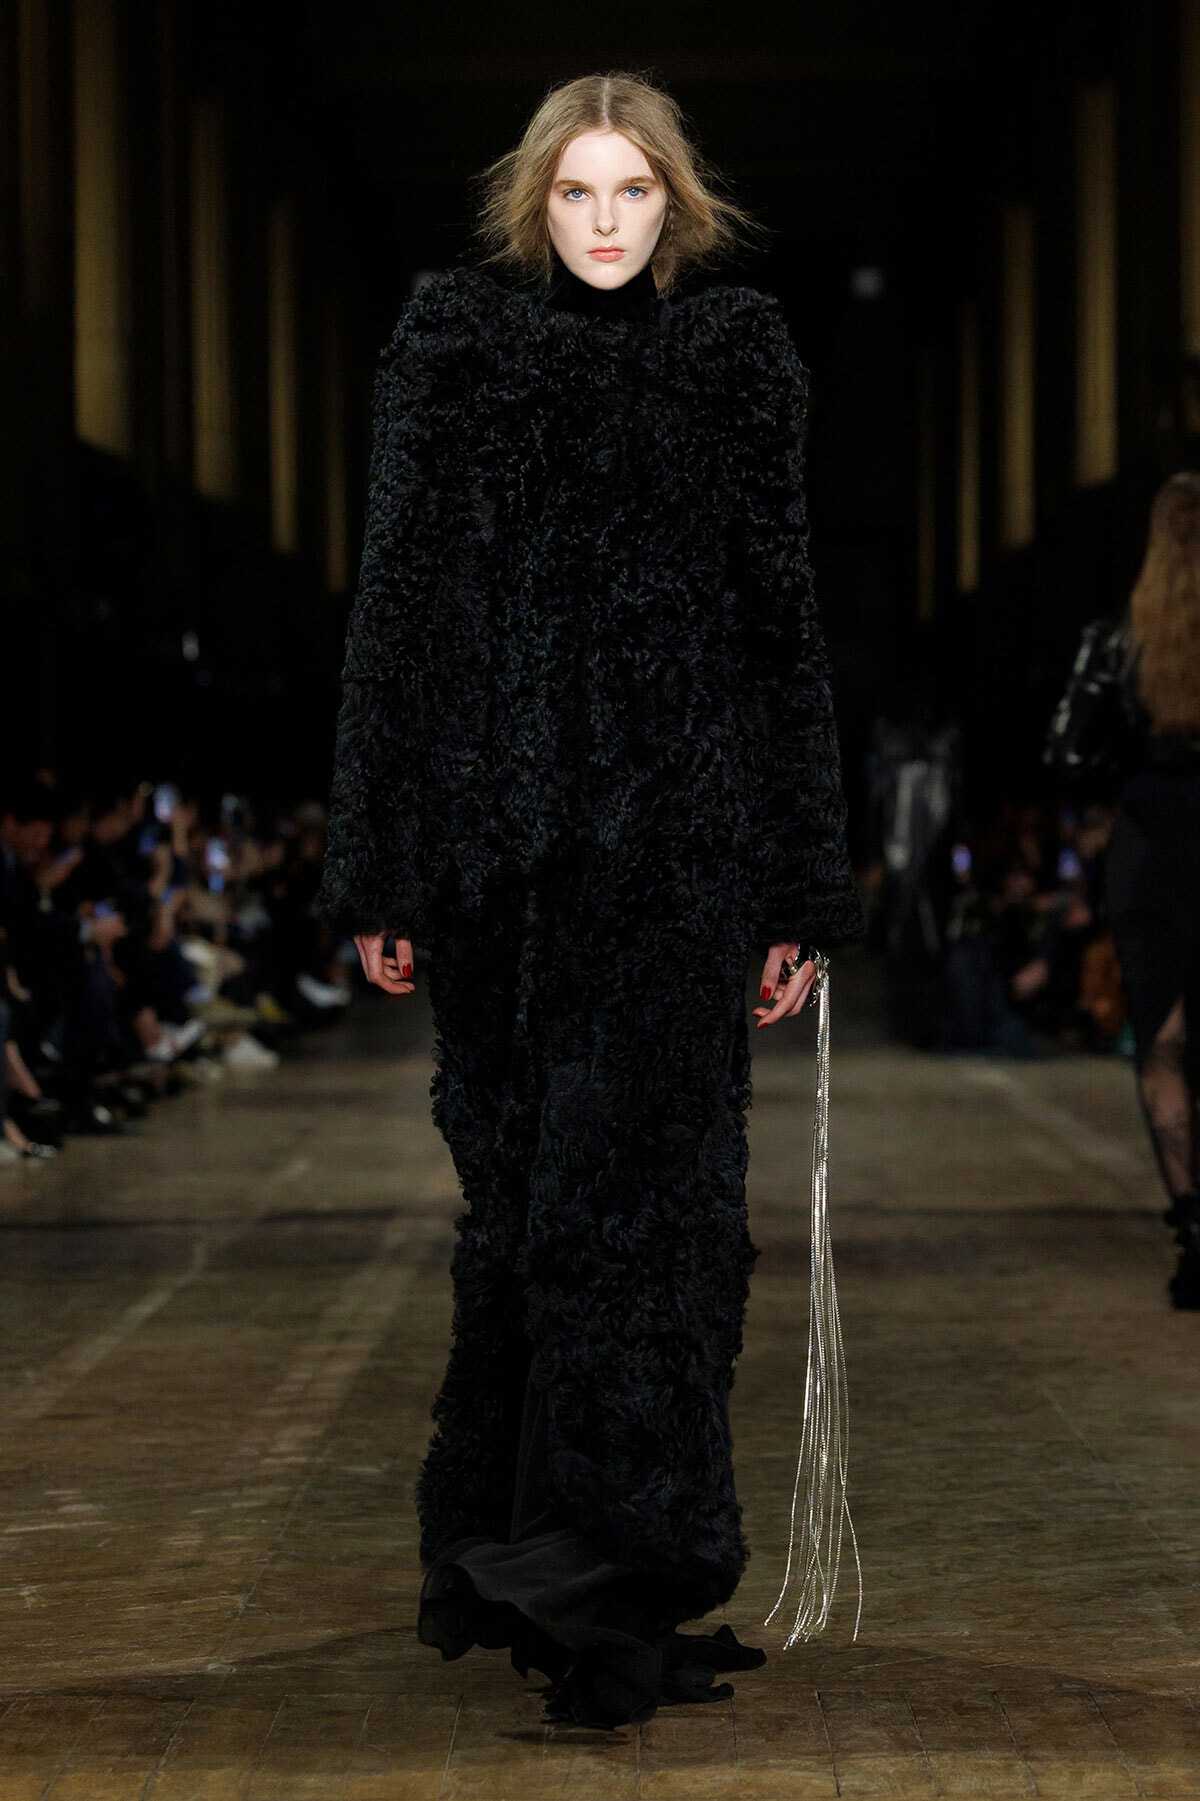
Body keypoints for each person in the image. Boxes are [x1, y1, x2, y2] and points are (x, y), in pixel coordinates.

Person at [316, 71, 863, 1728]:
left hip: (682, 860)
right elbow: (395, 613)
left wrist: (800, 883)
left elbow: (780, 624)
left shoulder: (733, 362)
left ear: (676, 205)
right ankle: (566, 1581)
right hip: (499, 870)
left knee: (660, 1222)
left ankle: (609, 1598)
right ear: (533, 206)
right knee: (532, 1221)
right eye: (577, 192)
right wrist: (381, 863)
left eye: (633, 191)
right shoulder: (456, 355)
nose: (606, 221)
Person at [1046, 471, 1200, 1308]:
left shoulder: (1117, 638)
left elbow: (1067, 754)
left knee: (1163, 1045)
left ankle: (1195, 1234)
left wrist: (1132, 778)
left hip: (1151, 847)